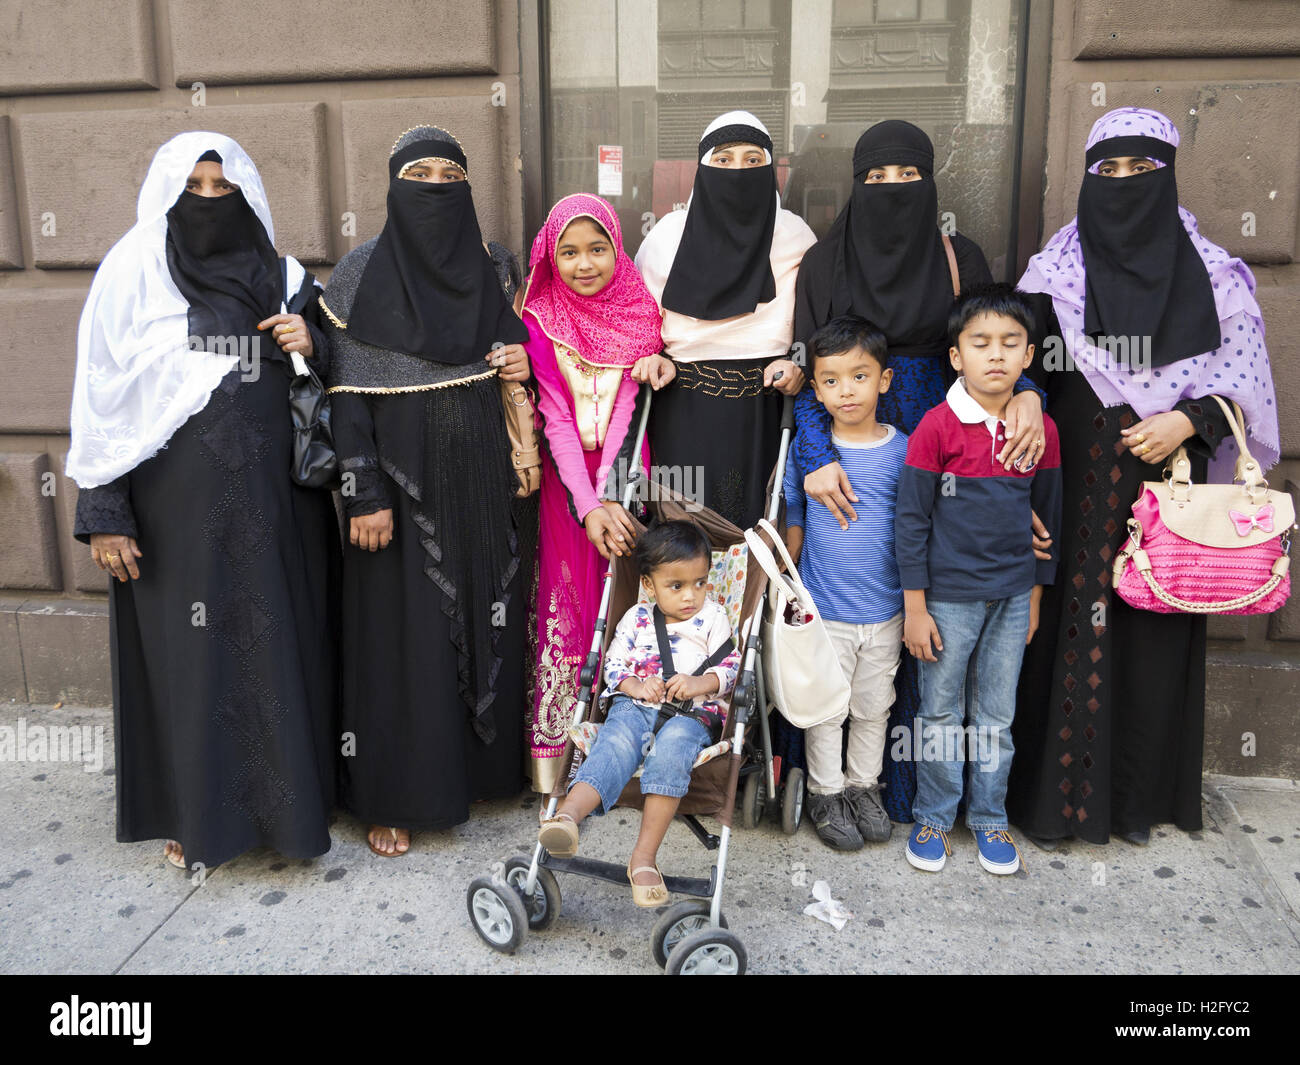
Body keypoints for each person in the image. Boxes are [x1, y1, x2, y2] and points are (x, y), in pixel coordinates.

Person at [1006, 108, 1280, 847]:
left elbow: (1246, 389)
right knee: (1055, 628)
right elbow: (1016, 356)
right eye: (1110, 170)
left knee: (1146, 631)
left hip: (1161, 497)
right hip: (1066, 487)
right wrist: (1029, 391)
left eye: (1143, 168)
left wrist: (1187, 421)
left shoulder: (1215, 276)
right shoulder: (1055, 269)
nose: (1125, 183)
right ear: (1090, 177)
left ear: (1169, 173)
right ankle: (1047, 801)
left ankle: (1130, 800)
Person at [68, 133, 340, 871]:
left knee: (276, 655)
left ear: (248, 193)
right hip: (176, 518)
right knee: (192, 663)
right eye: (194, 186)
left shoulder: (284, 276)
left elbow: (340, 381)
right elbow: (103, 395)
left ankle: (289, 820)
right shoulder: (132, 273)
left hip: (277, 511)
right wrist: (103, 510)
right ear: (167, 192)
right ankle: (194, 818)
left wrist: (308, 340)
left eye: (225, 188)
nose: (210, 201)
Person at [789, 119, 1050, 822]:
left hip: (944, 449)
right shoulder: (825, 263)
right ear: (855, 184)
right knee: (849, 605)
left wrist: (1027, 394)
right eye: (876, 178)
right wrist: (814, 458)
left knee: (919, 605)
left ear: (930, 183)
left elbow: (990, 341)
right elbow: (811, 374)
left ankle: (899, 792)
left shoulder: (958, 255)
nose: (893, 190)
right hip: (847, 448)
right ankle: (825, 786)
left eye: (908, 176)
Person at [320, 126, 531, 857]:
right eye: (420, 173)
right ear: (392, 186)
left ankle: (474, 777)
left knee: (485, 627)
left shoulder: (490, 269)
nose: (437, 186)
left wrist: (517, 360)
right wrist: (363, 490)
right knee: (401, 646)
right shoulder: (356, 278)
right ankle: (394, 795)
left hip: (484, 487)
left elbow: (515, 357)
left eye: (450, 173)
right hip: (399, 499)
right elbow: (344, 397)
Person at [895, 284, 1061, 875]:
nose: (996, 355)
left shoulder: (1040, 431)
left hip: (1014, 596)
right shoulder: (937, 428)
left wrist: (1036, 595)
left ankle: (990, 819)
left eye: (1010, 343)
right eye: (981, 342)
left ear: (1028, 356)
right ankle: (935, 815)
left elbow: (1050, 516)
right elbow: (911, 521)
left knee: (996, 713)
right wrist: (915, 607)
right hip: (946, 600)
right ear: (956, 356)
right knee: (939, 712)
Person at [520, 194, 663, 793]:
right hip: (566, 486)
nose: (584, 263)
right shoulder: (538, 318)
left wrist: (612, 499)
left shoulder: (639, 311)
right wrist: (588, 505)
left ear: (617, 249)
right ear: (551, 256)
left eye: (597, 248)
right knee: (567, 602)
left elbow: (632, 408)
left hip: (627, 476)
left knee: (625, 607)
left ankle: (615, 761)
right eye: (569, 251)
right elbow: (552, 416)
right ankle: (555, 764)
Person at [537, 521, 740, 906]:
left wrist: (701, 683)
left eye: (699, 583)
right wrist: (633, 685)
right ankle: (566, 818)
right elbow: (611, 667)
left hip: (690, 717)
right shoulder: (636, 618)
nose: (690, 596)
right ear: (649, 585)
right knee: (615, 742)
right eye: (676, 586)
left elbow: (731, 665)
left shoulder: (714, 618)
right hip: (635, 706)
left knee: (672, 752)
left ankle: (644, 858)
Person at [634, 111, 814, 530]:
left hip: (768, 410)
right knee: (683, 537)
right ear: (702, 169)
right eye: (724, 159)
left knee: (759, 533)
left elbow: (814, 322)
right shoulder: (666, 237)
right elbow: (640, 318)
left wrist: (801, 365)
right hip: (682, 406)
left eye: (754, 160)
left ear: (771, 169)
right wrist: (649, 355)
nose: (738, 170)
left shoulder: (794, 235)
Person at [783, 315, 907, 851]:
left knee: (874, 706)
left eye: (859, 376)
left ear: (884, 380)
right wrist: (785, 582)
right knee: (827, 707)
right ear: (815, 388)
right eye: (830, 380)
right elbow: (793, 513)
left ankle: (863, 786)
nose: (845, 390)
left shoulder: (904, 450)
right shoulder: (811, 455)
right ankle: (825, 792)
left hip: (885, 608)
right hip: (823, 607)